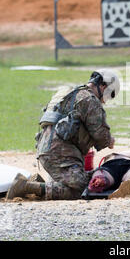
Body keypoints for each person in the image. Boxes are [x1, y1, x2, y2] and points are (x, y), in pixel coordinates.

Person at [6, 69, 120, 201]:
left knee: (82, 181)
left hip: (46, 150)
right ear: (103, 86)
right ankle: (27, 187)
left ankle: (40, 183)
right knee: (83, 189)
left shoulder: (70, 93)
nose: (105, 101)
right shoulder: (90, 100)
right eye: (108, 96)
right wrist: (109, 140)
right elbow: (101, 136)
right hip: (60, 154)